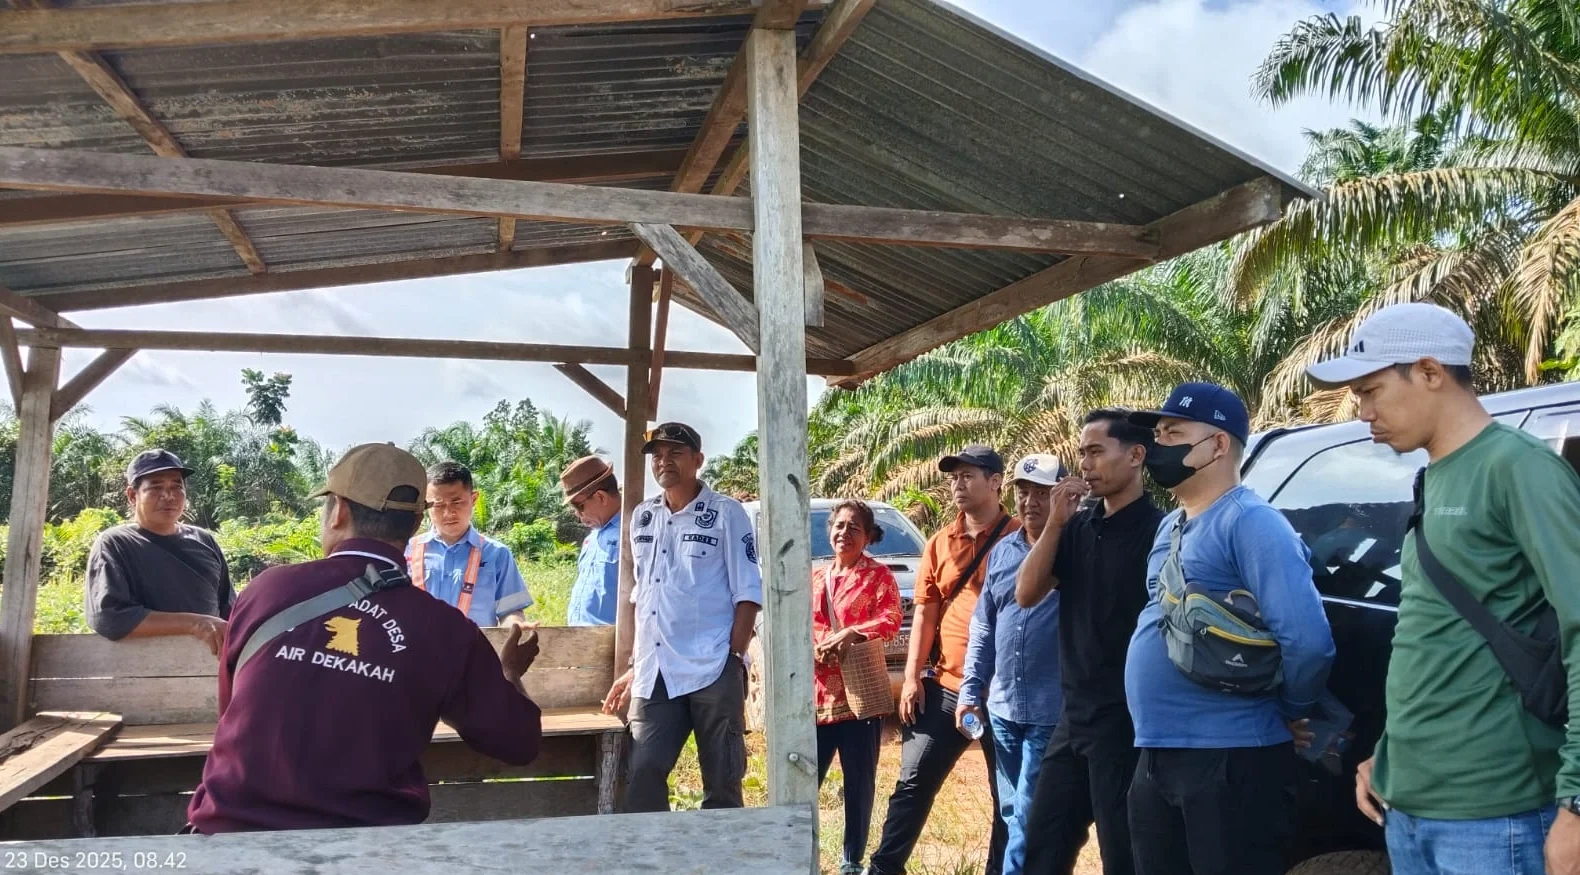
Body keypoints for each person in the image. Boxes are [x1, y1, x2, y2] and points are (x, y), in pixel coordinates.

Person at [1306, 303, 1580, 875]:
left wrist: (1575, 805)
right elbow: (1435, 638)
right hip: (1409, 805)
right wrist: (1391, 757)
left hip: (1495, 817)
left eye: (1372, 390)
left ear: (1430, 372)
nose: (1363, 412)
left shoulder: (1518, 467)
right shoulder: (1434, 476)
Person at [186, 443, 543, 833]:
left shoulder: (265, 591)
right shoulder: (446, 630)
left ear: (337, 510)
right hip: (368, 848)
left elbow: (231, 713)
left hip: (230, 835)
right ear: (414, 525)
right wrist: (509, 674)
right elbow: (519, 743)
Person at [1122, 384, 1335, 875]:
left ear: (1219, 445)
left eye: (1174, 433)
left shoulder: (1252, 523)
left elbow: (1308, 640)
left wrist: (1293, 710)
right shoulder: (1171, 526)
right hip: (1157, 754)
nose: (1158, 446)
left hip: (1230, 758)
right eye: (1157, 434)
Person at [1016, 410, 1162, 875]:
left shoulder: (1158, 531)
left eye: (1097, 451)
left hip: (1124, 723)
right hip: (1072, 716)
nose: (1085, 464)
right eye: (1082, 453)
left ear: (1136, 455)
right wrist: (1056, 524)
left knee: (1121, 853)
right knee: (1042, 846)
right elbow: (1026, 593)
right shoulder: (1078, 527)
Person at [868, 444, 1019, 875]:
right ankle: (883, 867)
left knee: (1005, 798)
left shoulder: (1020, 536)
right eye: (954, 477)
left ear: (995, 482)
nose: (958, 484)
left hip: (1003, 695)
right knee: (912, 784)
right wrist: (913, 676)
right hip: (948, 687)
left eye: (969, 476)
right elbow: (925, 616)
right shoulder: (939, 543)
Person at [601, 422, 762, 812]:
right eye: (657, 454)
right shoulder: (643, 516)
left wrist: (733, 660)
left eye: (674, 452)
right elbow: (645, 595)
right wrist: (635, 666)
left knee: (722, 783)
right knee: (642, 772)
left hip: (711, 668)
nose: (663, 461)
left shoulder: (726, 513)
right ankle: (655, 861)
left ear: (698, 460)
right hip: (656, 672)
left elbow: (749, 594)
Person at [960, 454, 1065, 875]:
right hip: (1002, 709)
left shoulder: (1073, 547)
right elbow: (984, 627)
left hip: (1050, 711)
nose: (1030, 502)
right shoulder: (1003, 551)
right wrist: (970, 691)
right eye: (1024, 492)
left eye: (1042, 493)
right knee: (1011, 811)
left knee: (1027, 814)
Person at [813, 499, 904, 875]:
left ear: (868, 537)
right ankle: (801, 850)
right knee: (806, 780)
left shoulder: (879, 576)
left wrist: (854, 632)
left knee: (859, 783)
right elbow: (803, 620)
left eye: (854, 528)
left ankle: (852, 859)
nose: (843, 533)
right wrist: (819, 640)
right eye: (839, 525)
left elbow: (892, 619)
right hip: (818, 696)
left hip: (859, 698)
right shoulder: (816, 576)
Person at [85, 449, 233, 655]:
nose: (168, 495)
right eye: (155, 487)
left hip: (208, 670)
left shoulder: (204, 540)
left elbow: (228, 608)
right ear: (132, 495)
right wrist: (195, 624)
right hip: (144, 673)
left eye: (176, 487)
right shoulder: (115, 543)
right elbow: (110, 617)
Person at [406, 461, 531, 627]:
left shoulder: (497, 554)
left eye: (457, 502)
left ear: (473, 499)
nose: (448, 513)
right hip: (420, 651)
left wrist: (515, 625)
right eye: (439, 505)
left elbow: (510, 611)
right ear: (426, 505)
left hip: (475, 650)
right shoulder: (407, 551)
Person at [561, 455, 621, 626]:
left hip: (614, 644)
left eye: (579, 506)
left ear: (601, 497)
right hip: (580, 641)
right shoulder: (592, 538)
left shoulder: (634, 534)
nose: (577, 514)